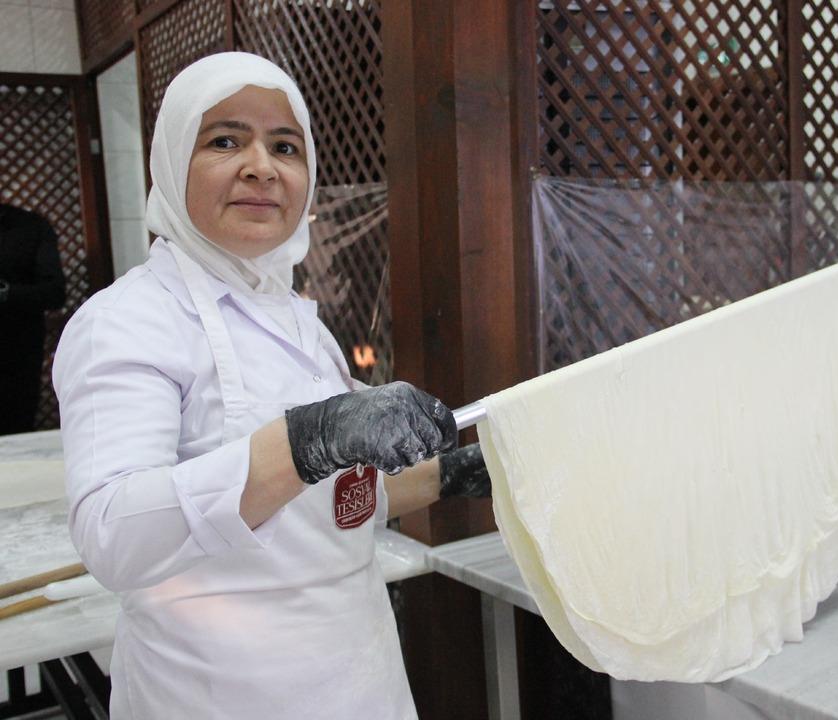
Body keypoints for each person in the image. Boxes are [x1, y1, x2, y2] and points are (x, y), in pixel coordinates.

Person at [53, 53, 489, 719]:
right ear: (171, 161)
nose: (261, 166)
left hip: (356, 674)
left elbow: (334, 504)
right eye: (225, 140)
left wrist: (457, 473)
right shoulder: (126, 324)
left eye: (285, 146)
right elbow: (114, 537)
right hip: (215, 691)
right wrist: (307, 439)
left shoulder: (297, 323)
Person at [0, 203, 65, 434]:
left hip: (16, 356)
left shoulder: (30, 227)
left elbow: (56, 292)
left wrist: (9, 293)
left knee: (15, 432)